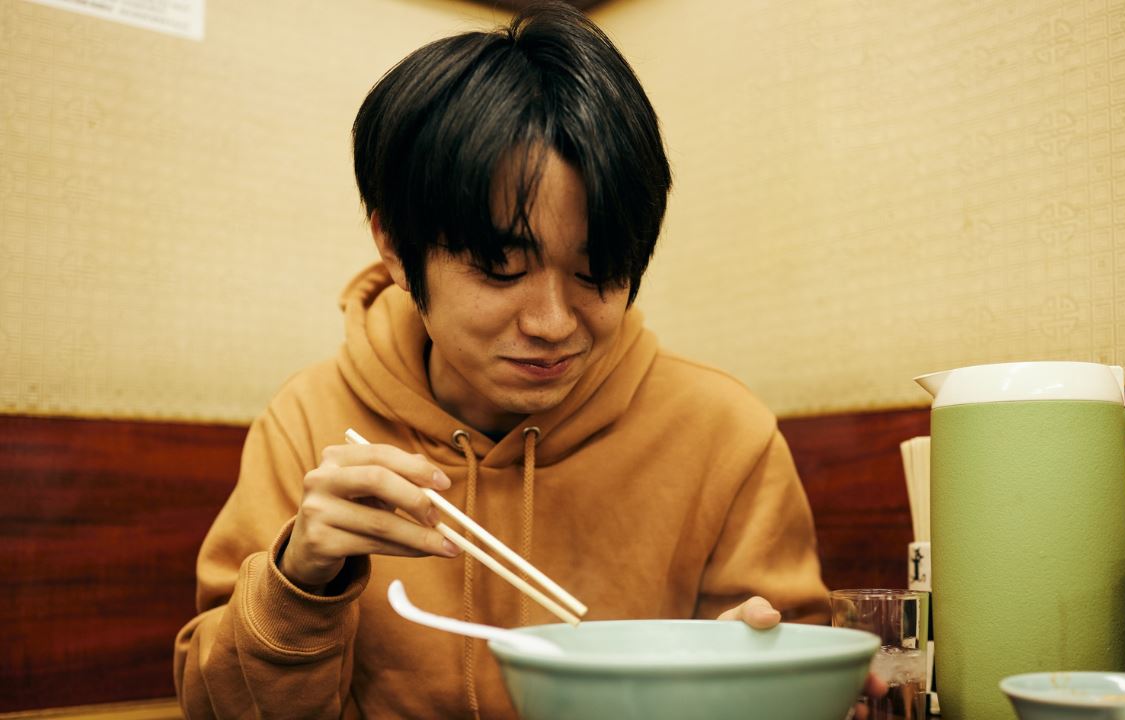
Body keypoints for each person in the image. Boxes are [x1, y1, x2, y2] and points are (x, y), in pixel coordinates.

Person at [174, 3, 857, 718]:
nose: (554, 323)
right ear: (394, 246)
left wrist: (740, 683)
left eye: (599, 272)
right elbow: (214, 706)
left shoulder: (724, 435)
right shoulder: (311, 423)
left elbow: (800, 678)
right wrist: (297, 585)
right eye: (501, 268)